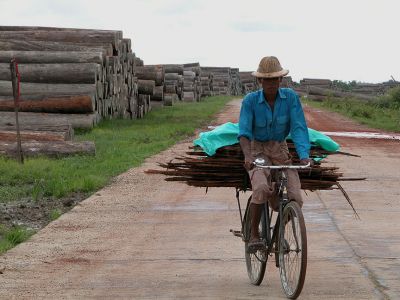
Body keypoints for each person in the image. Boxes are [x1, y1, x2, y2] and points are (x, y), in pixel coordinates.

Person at [238, 56, 312, 250]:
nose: (271, 83)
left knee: (295, 196)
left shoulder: (291, 99)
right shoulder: (250, 101)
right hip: (258, 149)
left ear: (281, 80)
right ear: (260, 81)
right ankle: (254, 235)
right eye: (267, 80)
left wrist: (304, 155)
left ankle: (279, 235)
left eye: (275, 79)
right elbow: (244, 133)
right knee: (262, 188)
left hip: (280, 148)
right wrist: (248, 156)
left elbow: (298, 128)